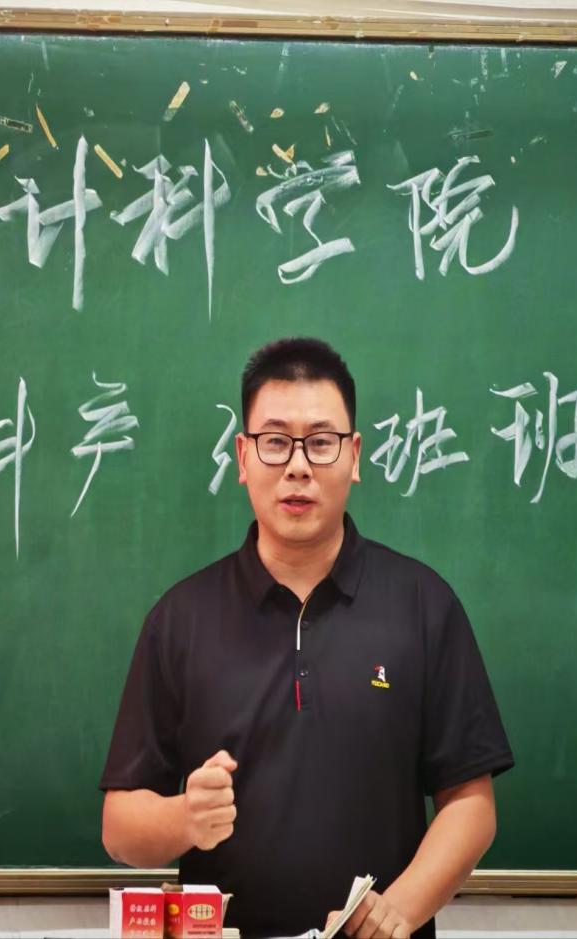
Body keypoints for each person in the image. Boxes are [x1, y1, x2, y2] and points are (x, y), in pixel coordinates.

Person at [100, 337, 514, 938]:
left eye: (321, 442)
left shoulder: (424, 605)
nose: (298, 466)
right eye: (275, 442)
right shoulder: (180, 618)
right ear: (243, 457)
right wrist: (186, 818)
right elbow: (120, 828)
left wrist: (396, 912)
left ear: (355, 456)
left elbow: (470, 806)